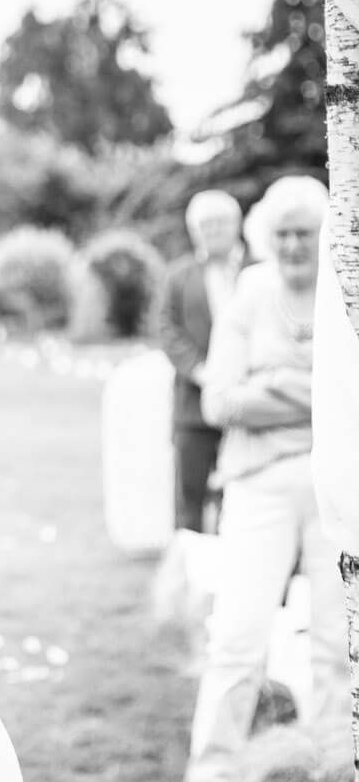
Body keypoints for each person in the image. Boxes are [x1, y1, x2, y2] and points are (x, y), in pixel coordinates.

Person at [166, 175, 345, 782]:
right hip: (257, 483)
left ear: (325, 236)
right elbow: (219, 400)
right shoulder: (250, 293)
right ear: (267, 237)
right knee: (238, 639)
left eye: (306, 232)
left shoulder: (344, 293)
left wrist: (269, 387)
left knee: (335, 643)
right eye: (284, 233)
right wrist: (317, 391)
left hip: (335, 487)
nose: (294, 244)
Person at [158, 190, 246, 535]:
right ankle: (187, 560)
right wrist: (202, 371)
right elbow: (167, 330)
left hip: (248, 404)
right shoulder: (178, 276)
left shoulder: (259, 270)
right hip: (193, 407)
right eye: (204, 225)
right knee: (188, 497)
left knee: (240, 497)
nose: (212, 231)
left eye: (219, 223)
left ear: (236, 224)